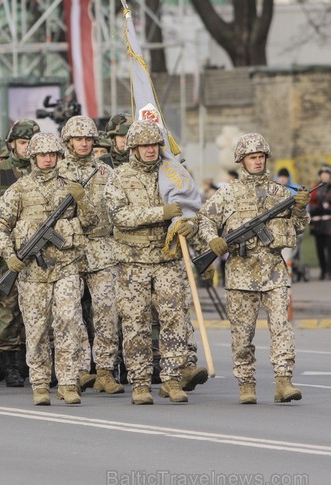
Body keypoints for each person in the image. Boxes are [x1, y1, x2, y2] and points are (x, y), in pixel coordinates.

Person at [198, 133, 310, 404]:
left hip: (273, 272)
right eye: (252, 157)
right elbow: (205, 219)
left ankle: (284, 381)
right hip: (240, 273)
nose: (258, 161)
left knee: (282, 327)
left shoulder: (281, 193)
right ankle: (246, 384)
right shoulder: (228, 193)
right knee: (242, 332)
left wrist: (300, 210)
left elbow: (299, 227)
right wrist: (212, 240)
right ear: (242, 160)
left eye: (261, 156)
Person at [0, 132, 92, 405]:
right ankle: (40, 383)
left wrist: (82, 201)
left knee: (68, 323)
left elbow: (92, 223)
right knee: (35, 330)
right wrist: (9, 255)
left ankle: (68, 383)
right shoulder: (20, 189)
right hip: (32, 273)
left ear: (59, 156)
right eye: (42, 155)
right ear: (33, 157)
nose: (48, 159)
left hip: (66, 267)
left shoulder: (71, 186)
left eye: (52, 154)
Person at [104, 120, 194, 405]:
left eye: (154, 144)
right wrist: (160, 213)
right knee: (135, 324)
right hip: (133, 263)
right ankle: (140, 383)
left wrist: (188, 224)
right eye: (144, 145)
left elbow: (190, 206)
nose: (150, 150)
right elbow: (120, 217)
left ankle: (171, 379)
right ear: (133, 148)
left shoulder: (173, 174)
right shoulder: (119, 177)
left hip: (167, 259)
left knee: (173, 320)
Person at [58, 116, 123, 395]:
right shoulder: (55, 172)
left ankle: (105, 371)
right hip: (68, 251)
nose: (84, 143)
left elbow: (117, 209)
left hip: (102, 250)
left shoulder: (106, 173)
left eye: (88, 139)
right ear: (68, 141)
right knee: (70, 313)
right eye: (78, 139)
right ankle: (80, 369)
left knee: (107, 311)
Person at [0, 119, 42, 388]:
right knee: (8, 309)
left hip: (40, 253)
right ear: (13, 144)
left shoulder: (48, 172)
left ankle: (35, 361)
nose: (28, 148)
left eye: (32, 143)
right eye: (24, 143)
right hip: (5, 254)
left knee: (38, 310)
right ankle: (11, 364)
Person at [310, 166, 331, 280]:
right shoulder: (315, 188)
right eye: (323, 174)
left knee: (330, 248)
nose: (325, 176)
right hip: (318, 223)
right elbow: (311, 203)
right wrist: (318, 207)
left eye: (327, 174)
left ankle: (329, 270)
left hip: (329, 223)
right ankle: (323, 270)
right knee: (320, 249)